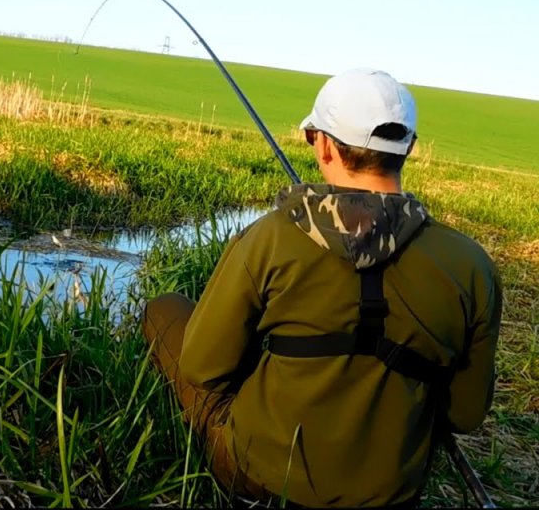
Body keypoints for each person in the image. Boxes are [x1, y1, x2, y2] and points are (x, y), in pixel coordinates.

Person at [141, 68, 503, 508]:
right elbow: (464, 415)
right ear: (409, 148)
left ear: (326, 144)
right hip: (391, 493)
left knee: (164, 309)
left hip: (261, 476)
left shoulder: (270, 238)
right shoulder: (471, 265)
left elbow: (202, 368)